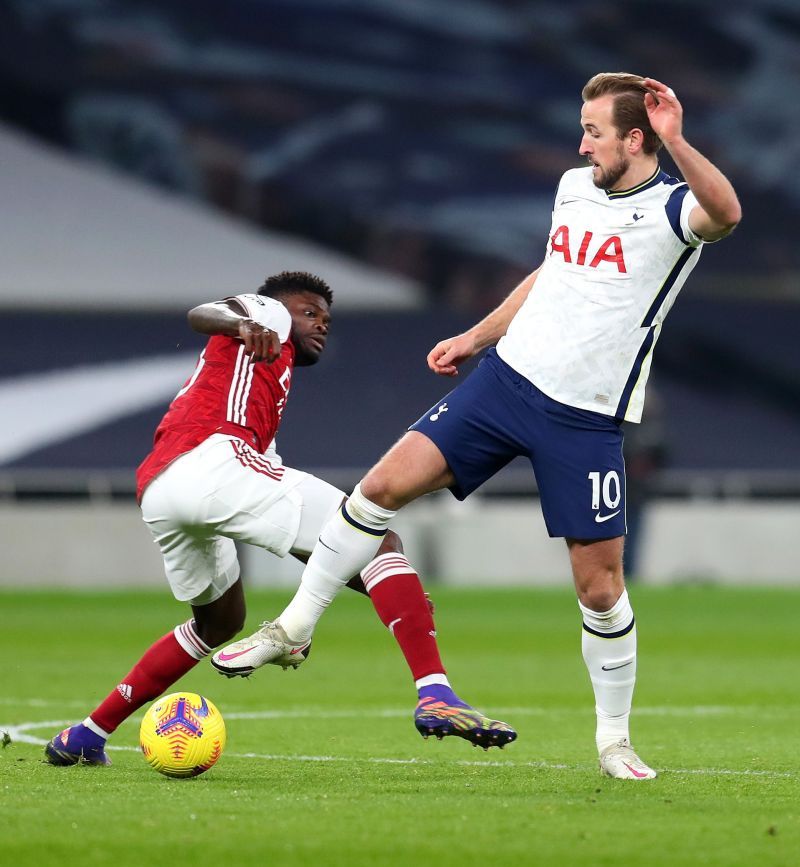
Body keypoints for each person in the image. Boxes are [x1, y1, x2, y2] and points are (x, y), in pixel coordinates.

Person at [213, 75, 742, 780]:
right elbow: (551, 273)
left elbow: (728, 213)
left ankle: (613, 738)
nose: (581, 142)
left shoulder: (677, 210)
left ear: (636, 139)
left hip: (585, 416)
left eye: (594, 131)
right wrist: (478, 336)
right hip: (504, 384)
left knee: (600, 589)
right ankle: (292, 627)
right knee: (376, 490)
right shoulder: (574, 187)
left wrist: (680, 140)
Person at [45, 271, 515, 767]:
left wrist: (378, 588)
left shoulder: (261, 396)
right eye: (310, 313)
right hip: (212, 460)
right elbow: (202, 314)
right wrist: (244, 322)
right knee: (377, 537)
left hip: (161, 489)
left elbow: (318, 546)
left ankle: (85, 735)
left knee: (219, 620)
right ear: (279, 309)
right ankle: (434, 691)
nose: (321, 325)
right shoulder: (264, 314)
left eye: (327, 319)